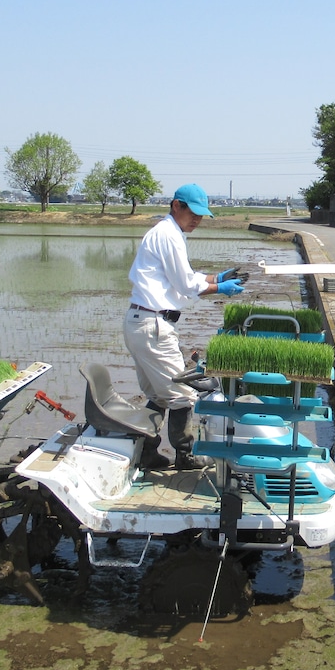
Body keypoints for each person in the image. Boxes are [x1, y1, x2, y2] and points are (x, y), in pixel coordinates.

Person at [124, 183, 244, 470]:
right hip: (153, 325)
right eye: (193, 213)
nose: (198, 220)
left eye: (202, 215)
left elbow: (184, 277)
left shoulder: (167, 233)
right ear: (176, 205)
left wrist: (216, 275)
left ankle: (147, 452)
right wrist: (220, 287)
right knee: (184, 394)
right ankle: (185, 455)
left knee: (157, 394)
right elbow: (187, 285)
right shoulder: (169, 235)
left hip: (141, 322)